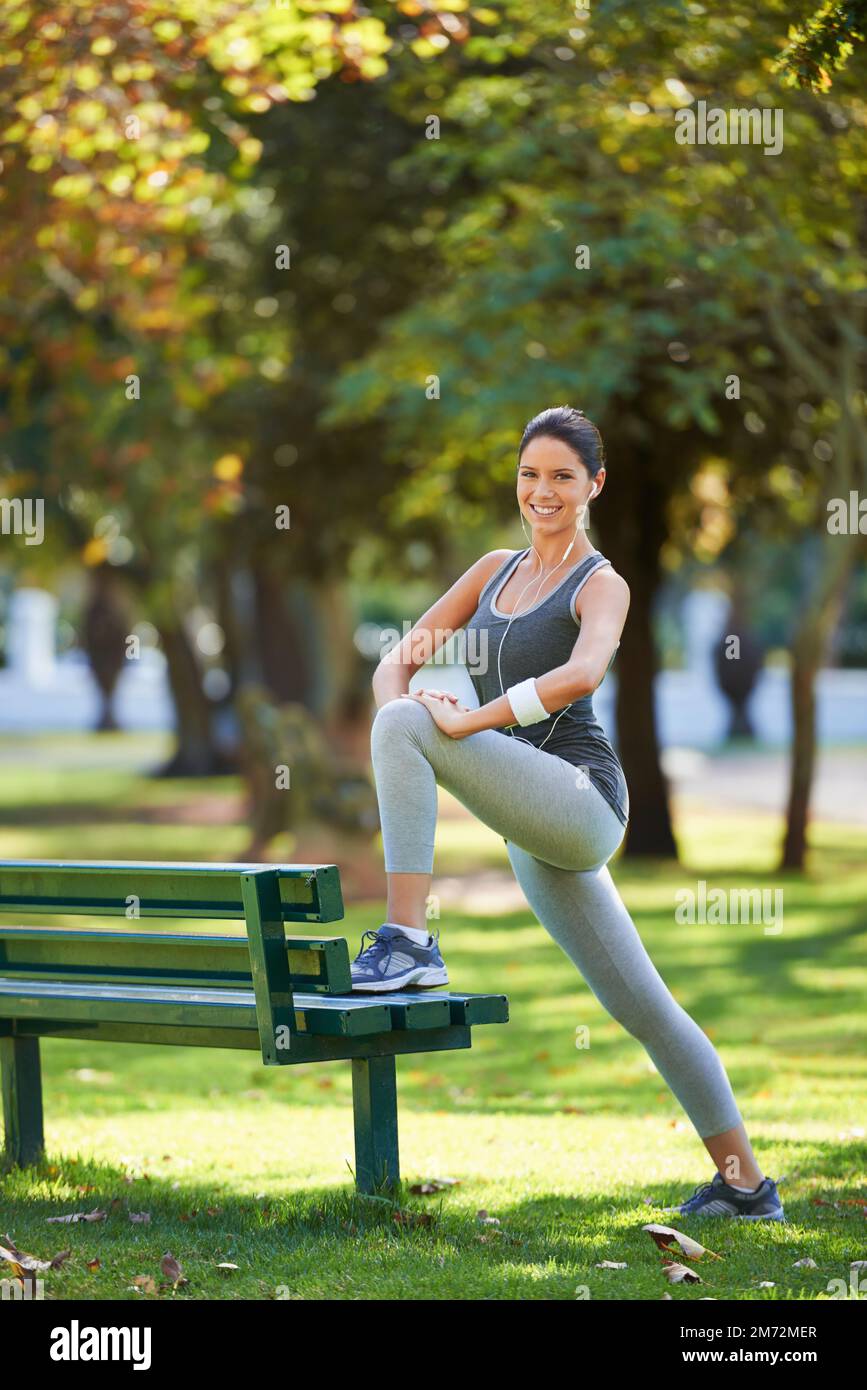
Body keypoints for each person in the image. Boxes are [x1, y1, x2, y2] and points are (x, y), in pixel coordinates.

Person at [352, 404, 784, 1222]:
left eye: (560, 476)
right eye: (528, 475)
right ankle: (745, 1187)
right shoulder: (490, 570)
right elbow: (397, 664)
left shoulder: (603, 583)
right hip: (529, 818)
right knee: (643, 1009)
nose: (541, 492)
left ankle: (406, 939)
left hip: (584, 801)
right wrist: (404, 703)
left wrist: (463, 719)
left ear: (593, 485)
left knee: (413, 721)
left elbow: (583, 675)